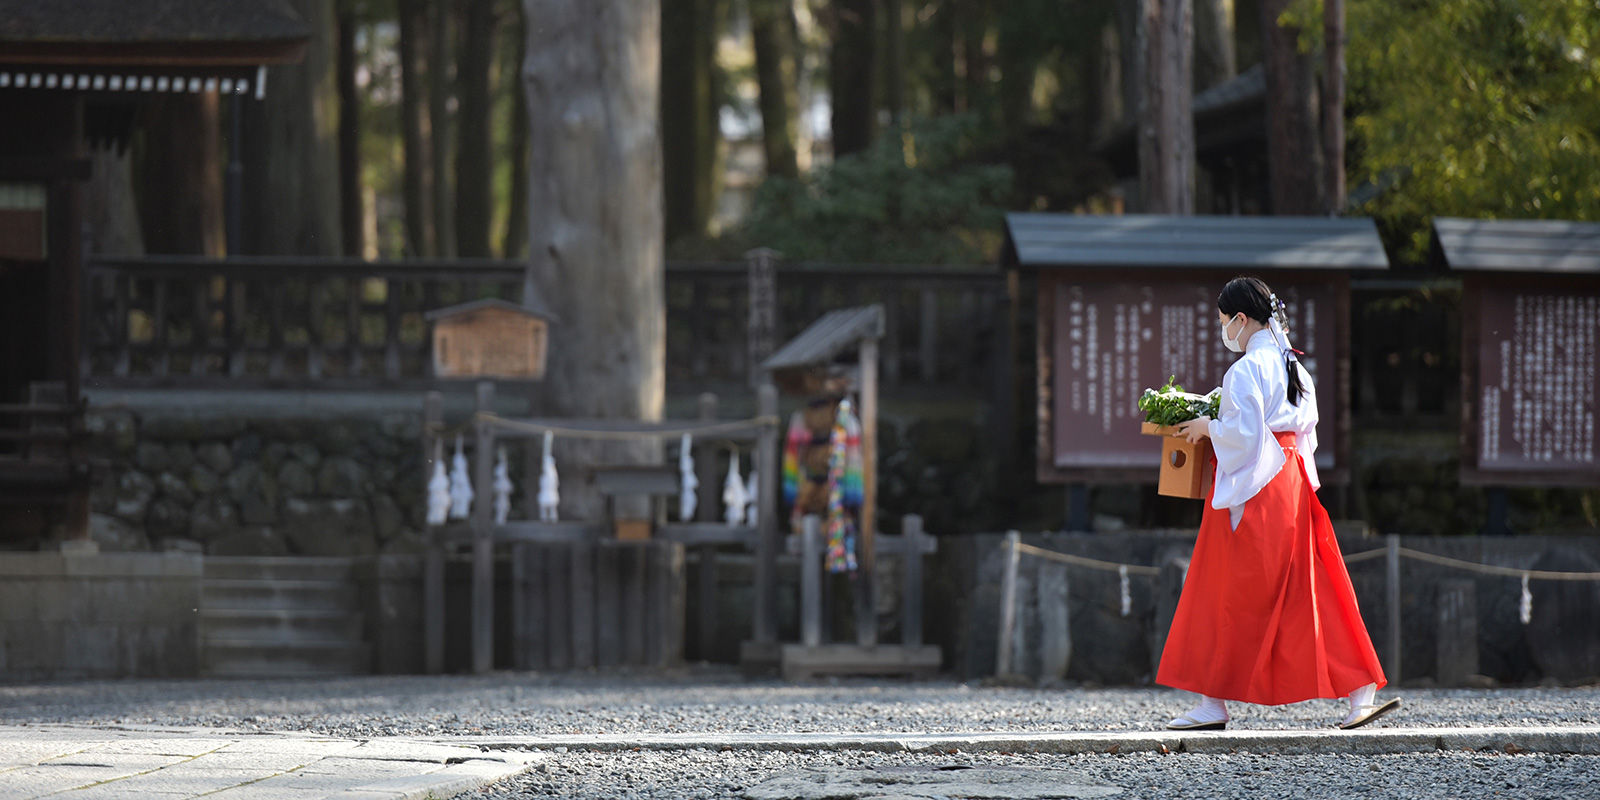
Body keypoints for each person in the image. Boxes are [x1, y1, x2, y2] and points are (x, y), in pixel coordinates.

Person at [1159, 276, 1399, 731]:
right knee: (1310, 587)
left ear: (1241, 319)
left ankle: (1213, 702)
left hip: (1255, 488)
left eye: (1224, 321)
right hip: (1290, 480)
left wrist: (1208, 429)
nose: (1223, 329)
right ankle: (1359, 690)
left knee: (1227, 589)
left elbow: (1245, 436)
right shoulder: (1293, 365)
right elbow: (1301, 431)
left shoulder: (1246, 370)